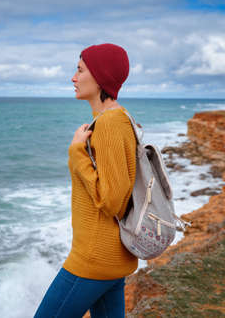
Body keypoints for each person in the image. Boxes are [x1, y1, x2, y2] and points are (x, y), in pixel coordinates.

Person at [34, 43, 138, 318]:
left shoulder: (109, 124)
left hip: (94, 258)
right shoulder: (116, 119)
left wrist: (77, 153)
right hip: (113, 257)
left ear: (101, 76)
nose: (73, 77)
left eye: (80, 70)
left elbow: (113, 200)